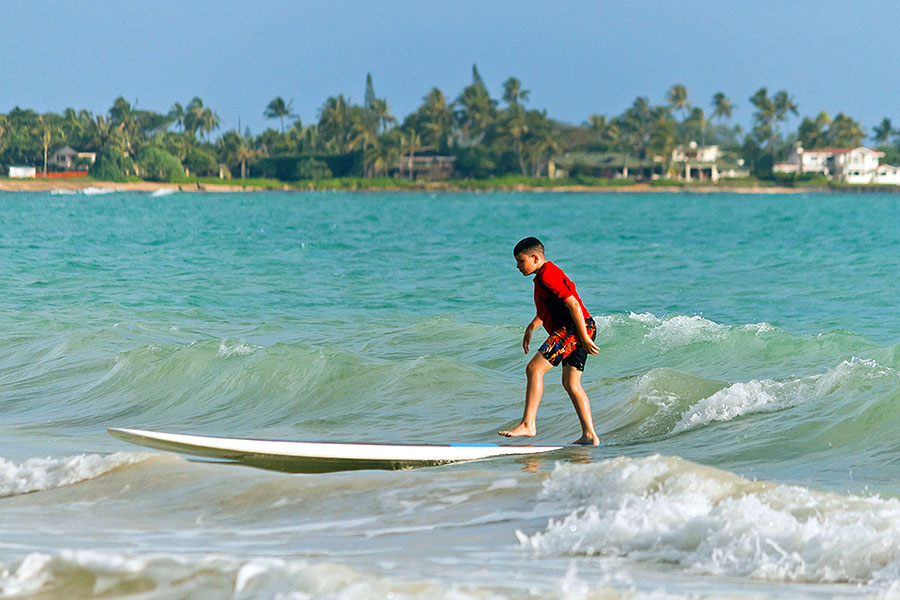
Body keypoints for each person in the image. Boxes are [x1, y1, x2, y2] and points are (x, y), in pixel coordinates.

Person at [499, 237, 601, 445]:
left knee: (534, 369)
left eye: (521, 261)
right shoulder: (545, 275)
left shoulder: (547, 276)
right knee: (571, 384)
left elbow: (573, 304)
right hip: (581, 326)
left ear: (535, 258)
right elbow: (553, 307)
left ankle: (528, 424)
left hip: (574, 327)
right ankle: (590, 435)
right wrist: (532, 326)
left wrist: (582, 336)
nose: (517, 266)